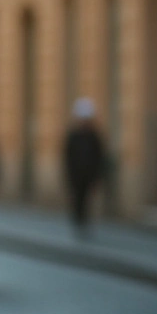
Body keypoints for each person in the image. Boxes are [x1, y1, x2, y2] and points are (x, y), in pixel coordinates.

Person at [63, 97, 106, 237]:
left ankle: (84, 221)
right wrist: (69, 173)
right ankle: (78, 221)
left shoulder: (93, 136)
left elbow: (99, 156)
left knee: (86, 198)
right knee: (78, 198)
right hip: (76, 174)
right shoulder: (73, 136)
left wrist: (97, 174)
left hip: (89, 174)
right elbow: (68, 156)